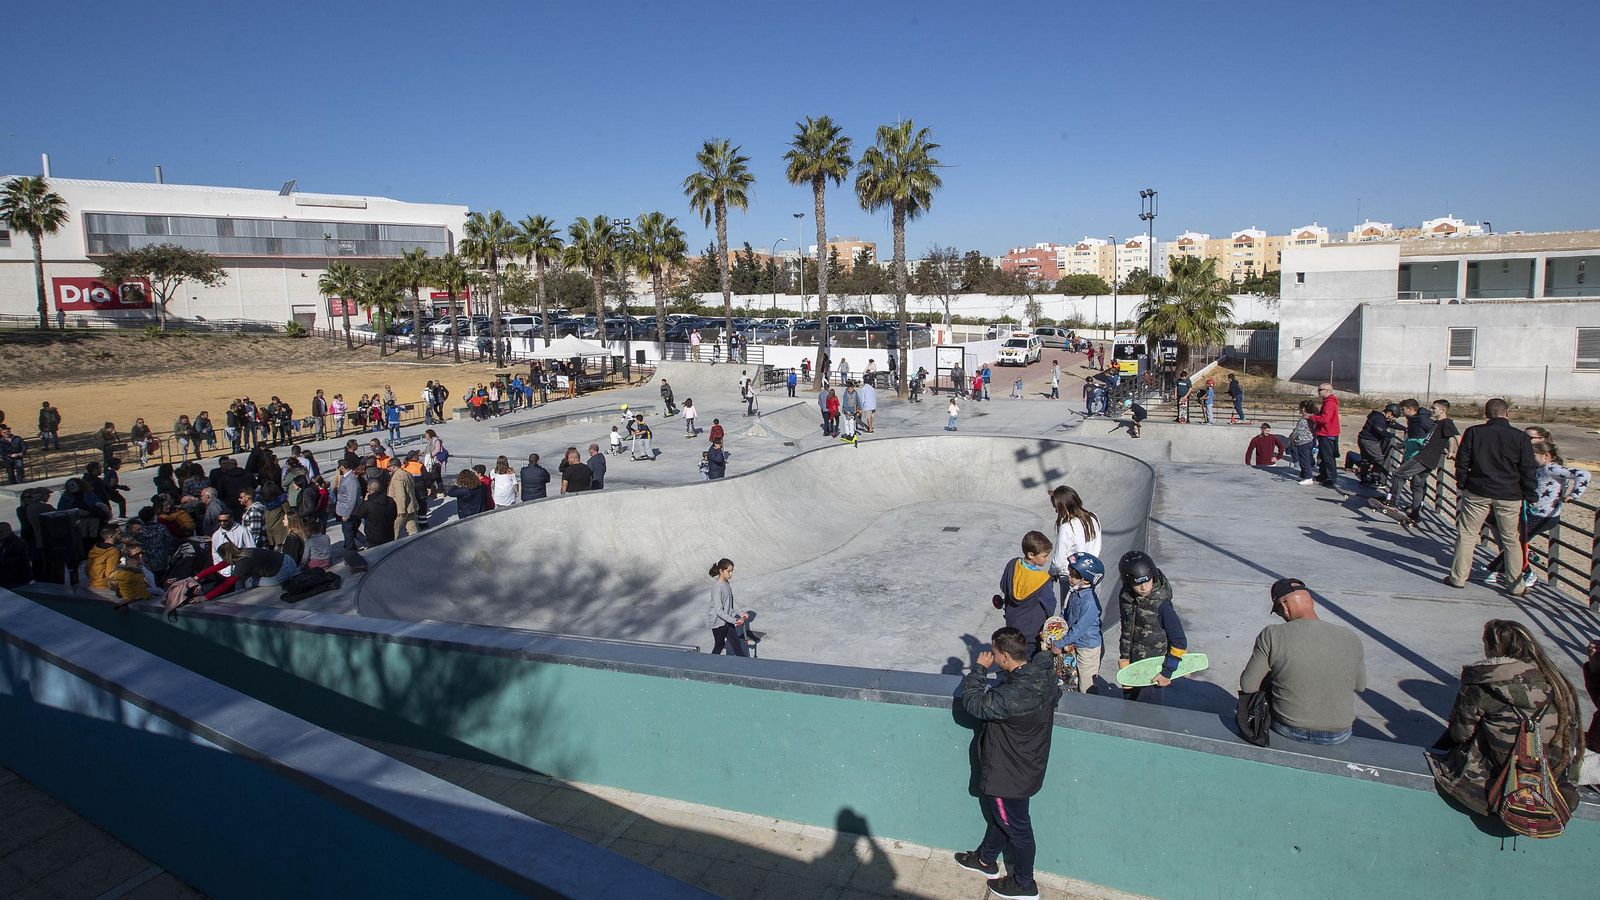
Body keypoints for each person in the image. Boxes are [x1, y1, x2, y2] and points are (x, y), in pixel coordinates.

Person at [1427, 620, 1581, 819]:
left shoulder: (1483, 684)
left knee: (1462, 735)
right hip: (1552, 774)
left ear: (1494, 648)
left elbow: (1459, 734)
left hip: (1502, 776)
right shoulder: (1558, 682)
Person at [954, 626, 1060, 900]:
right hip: (1028, 766)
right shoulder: (1042, 679)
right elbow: (1046, 665)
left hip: (1007, 775)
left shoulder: (1010, 696)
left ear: (1002, 656)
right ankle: (985, 859)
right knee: (1007, 819)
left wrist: (978, 670)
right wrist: (1048, 653)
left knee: (1018, 829)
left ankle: (1025, 884)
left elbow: (975, 704)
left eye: (994, 652)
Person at [1239, 578, 1367, 746]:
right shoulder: (1351, 637)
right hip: (1340, 733)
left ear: (1284, 606)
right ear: (1311, 603)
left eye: (1278, 611)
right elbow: (1360, 686)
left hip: (1289, 728)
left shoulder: (1272, 634)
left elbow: (1248, 685)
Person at [1446, 399, 1538, 593]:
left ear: (1485, 414)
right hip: (1509, 493)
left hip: (1477, 490)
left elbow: (1462, 462)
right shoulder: (1520, 437)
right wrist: (1530, 493)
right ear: (1507, 413)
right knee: (1511, 539)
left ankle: (1458, 577)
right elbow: (1528, 469)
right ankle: (1516, 585)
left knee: (1468, 534)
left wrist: (1462, 483)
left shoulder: (1474, 432)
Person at [1483, 439, 1588, 590]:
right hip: (1534, 513)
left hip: (1545, 516)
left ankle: (1501, 569)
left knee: (1517, 542)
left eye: (1533, 456)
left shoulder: (1552, 468)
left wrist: (1574, 494)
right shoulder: (1541, 468)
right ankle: (1506, 569)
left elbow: (1583, 474)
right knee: (1517, 541)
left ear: (1546, 455)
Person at [1117, 550, 1188, 702]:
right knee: (1130, 708)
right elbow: (1126, 630)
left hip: (1154, 670)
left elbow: (1180, 642)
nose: (1143, 587)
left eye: (1146, 581)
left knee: (1148, 714)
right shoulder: (1127, 598)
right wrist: (1124, 659)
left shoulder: (1162, 606)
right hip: (1132, 666)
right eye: (1138, 584)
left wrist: (1167, 672)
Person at [992, 532, 1055, 655]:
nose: (1047, 559)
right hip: (1033, 631)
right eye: (1044, 556)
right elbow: (1050, 605)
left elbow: (1003, 585)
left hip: (1012, 624)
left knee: (1015, 657)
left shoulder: (1012, 564)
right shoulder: (1043, 579)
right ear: (1031, 554)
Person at [1056, 553, 1105, 694]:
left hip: (1087, 650)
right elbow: (1064, 613)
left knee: (1086, 687)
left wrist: (1059, 644)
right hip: (1072, 644)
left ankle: (1088, 711)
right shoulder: (1074, 592)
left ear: (1086, 580)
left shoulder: (1090, 602)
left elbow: (1079, 629)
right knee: (1068, 681)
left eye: (1073, 575)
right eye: (1069, 572)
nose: (1069, 577)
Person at [1048, 486, 1102, 583]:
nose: (1055, 511)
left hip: (1072, 578)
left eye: (1056, 507)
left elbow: (1058, 563)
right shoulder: (1093, 518)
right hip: (1092, 575)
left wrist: (1052, 573)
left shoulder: (1067, 527)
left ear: (1063, 507)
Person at [705, 558, 747, 656]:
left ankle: (744, 665)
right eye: (728, 571)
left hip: (727, 620)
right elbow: (719, 611)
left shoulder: (726, 583)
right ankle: (709, 665)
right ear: (721, 571)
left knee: (736, 643)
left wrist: (742, 613)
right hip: (718, 622)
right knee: (719, 645)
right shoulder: (717, 588)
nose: (731, 574)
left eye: (732, 571)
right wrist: (735, 621)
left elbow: (731, 600)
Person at [1308, 382, 1341, 488]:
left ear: (1327, 391)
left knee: (1328, 458)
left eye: (1320, 390)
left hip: (1327, 434)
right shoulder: (1328, 402)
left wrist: (1311, 417)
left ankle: (1330, 479)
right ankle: (1323, 475)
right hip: (1326, 433)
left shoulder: (1330, 403)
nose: (1318, 392)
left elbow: (1324, 419)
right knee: (1323, 456)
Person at [352, 479, 397, 547]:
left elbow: (359, 514)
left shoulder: (368, 504)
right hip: (389, 534)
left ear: (369, 489)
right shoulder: (390, 500)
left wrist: (364, 501)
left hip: (373, 538)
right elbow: (394, 515)